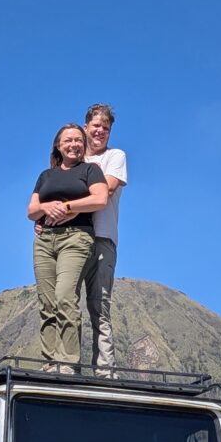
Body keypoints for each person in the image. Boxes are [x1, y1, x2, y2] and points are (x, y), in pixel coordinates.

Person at [27, 124, 108, 373]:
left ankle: (68, 363)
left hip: (76, 238)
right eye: (68, 140)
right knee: (47, 302)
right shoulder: (46, 175)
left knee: (65, 296)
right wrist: (47, 207)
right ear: (58, 146)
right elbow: (31, 211)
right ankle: (50, 362)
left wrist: (67, 207)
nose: (74, 144)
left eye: (78, 140)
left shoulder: (90, 170)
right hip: (44, 241)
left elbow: (100, 199)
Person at [83, 104, 127, 376]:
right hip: (72, 236)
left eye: (106, 128)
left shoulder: (115, 156)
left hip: (103, 236)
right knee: (66, 303)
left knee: (100, 305)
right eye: (96, 126)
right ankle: (65, 367)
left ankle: (104, 371)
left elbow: (105, 191)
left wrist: (66, 202)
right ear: (86, 126)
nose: (100, 131)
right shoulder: (72, 155)